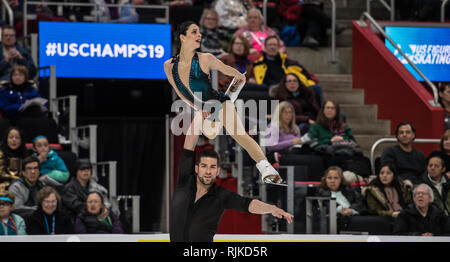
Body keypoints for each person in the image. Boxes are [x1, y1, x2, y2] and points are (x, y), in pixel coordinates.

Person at [164, 21, 282, 185]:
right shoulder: (169, 66)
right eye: (194, 32)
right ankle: (225, 102)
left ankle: (267, 169)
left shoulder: (206, 58)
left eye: (199, 31)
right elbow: (180, 93)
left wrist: (239, 77)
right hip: (204, 109)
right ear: (182, 37)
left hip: (218, 102)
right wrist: (198, 109)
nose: (199, 35)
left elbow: (230, 71)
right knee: (210, 134)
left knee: (238, 134)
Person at [169, 129, 293, 242]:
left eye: (212, 167)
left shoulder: (221, 195)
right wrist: (198, 115)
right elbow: (190, 141)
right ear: (196, 168)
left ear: (217, 171)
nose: (208, 171)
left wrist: (271, 209)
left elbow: (248, 204)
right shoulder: (185, 181)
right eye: (204, 166)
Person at [252, 36, 323, 104]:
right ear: (265, 48)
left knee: (316, 88)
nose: (272, 47)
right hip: (273, 87)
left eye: (274, 45)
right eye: (269, 45)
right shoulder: (258, 64)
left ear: (278, 47)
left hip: (293, 86)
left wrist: (308, 84)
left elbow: (306, 75)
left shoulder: (289, 62)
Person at [0, 126, 29, 191]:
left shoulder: (25, 153)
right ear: (6, 139)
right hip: (3, 185)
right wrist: (18, 179)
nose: (14, 140)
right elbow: (1, 174)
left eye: (17, 137)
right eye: (11, 137)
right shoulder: (1, 152)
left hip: (22, 184)